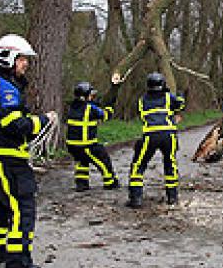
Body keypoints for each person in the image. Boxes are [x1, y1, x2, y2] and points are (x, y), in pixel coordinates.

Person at [0, 34, 56, 268]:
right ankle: (18, 261)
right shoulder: (4, 88)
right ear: (8, 57)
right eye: (22, 59)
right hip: (7, 159)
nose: (26, 64)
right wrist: (44, 120)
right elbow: (15, 125)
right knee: (22, 206)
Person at [126, 72, 186, 208]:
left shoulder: (142, 100)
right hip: (169, 135)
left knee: (138, 165)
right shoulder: (168, 97)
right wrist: (180, 96)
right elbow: (180, 105)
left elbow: (142, 117)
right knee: (170, 164)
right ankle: (172, 197)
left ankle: (136, 198)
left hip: (150, 135)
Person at [66, 82, 120, 192]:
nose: (92, 97)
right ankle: (110, 182)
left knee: (82, 161)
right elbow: (105, 115)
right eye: (90, 95)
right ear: (84, 96)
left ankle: (81, 184)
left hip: (72, 146)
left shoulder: (72, 106)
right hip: (86, 145)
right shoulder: (89, 108)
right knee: (103, 160)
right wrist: (110, 106)